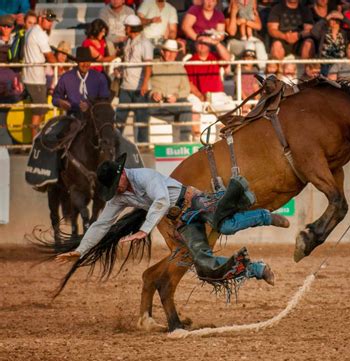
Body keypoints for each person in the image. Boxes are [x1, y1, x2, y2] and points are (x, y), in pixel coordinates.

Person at [55, 154, 291, 283]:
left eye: (117, 186)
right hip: (182, 220)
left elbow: (161, 201)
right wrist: (81, 249)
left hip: (195, 201)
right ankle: (256, 270)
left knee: (226, 226)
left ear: (122, 174)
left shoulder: (145, 177)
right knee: (205, 265)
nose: (116, 191)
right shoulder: (121, 196)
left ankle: (264, 216)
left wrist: (144, 230)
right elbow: (102, 223)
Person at [115, 14, 153, 143]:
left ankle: (143, 145)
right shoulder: (128, 41)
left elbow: (148, 66)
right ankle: (115, 143)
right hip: (126, 86)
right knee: (119, 119)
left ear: (131, 28)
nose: (125, 29)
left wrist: (145, 84)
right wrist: (120, 69)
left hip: (139, 87)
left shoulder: (145, 43)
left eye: (127, 27)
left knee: (141, 120)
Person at [22, 8, 58, 137]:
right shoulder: (39, 33)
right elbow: (49, 56)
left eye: (52, 21)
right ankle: (35, 144)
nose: (50, 23)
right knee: (38, 113)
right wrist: (60, 65)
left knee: (39, 112)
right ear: (41, 19)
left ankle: (35, 141)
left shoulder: (30, 31)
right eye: (48, 20)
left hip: (29, 77)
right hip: (36, 79)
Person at [149, 39, 193, 142]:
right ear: (162, 52)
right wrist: (152, 93)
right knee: (141, 107)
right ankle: (143, 144)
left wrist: (176, 96)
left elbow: (186, 89)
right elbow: (145, 84)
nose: (171, 55)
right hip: (155, 103)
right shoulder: (152, 65)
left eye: (174, 52)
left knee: (186, 106)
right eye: (168, 51)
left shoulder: (179, 68)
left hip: (173, 103)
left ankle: (185, 142)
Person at [52, 47, 110, 118]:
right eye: (82, 61)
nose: (85, 64)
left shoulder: (100, 77)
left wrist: (89, 105)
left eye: (87, 61)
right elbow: (55, 98)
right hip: (73, 116)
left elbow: (104, 100)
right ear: (77, 62)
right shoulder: (66, 77)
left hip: (95, 117)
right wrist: (60, 102)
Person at [185, 34, 231, 104]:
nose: (202, 45)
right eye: (200, 43)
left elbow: (228, 59)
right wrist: (200, 96)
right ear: (195, 45)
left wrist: (217, 43)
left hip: (217, 95)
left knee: (230, 109)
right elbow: (189, 83)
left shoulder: (215, 57)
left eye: (205, 43)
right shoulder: (190, 62)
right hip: (199, 97)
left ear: (209, 45)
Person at [225, 0, 267, 70]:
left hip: (250, 39)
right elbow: (231, 32)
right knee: (250, 45)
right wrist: (233, 13)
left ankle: (262, 71)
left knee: (260, 45)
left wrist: (245, 21)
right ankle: (247, 73)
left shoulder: (251, 10)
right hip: (234, 42)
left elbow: (258, 26)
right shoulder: (228, 11)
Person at [0, 45, 23, 143]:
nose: (2, 56)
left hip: (12, 102)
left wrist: (10, 92)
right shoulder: (14, 72)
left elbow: (18, 90)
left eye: (5, 54)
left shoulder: (14, 72)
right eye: (1, 53)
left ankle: (15, 143)